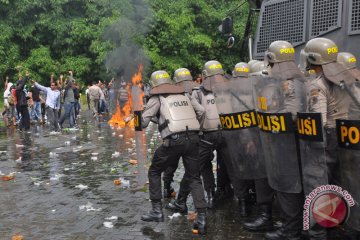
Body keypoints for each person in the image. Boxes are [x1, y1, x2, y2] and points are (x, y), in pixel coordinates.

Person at [137, 70, 208, 234]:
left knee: (154, 171)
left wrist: (135, 115)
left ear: (154, 84)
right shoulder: (185, 94)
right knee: (194, 177)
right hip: (194, 139)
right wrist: (198, 129)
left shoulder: (156, 98)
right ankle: (202, 218)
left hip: (173, 141)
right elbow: (202, 111)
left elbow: (143, 124)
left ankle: (156, 210)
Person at [302, 38, 357, 240]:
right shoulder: (349, 79)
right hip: (348, 137)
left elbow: (319, 119)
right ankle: (338, 227)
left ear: (311, 60)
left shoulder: (317, 84)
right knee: (340, 184)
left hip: (327, 138)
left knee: (316, 187)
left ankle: (317, 234)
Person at [255, 41, 305, 239]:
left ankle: (291, 230)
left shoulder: (288, 82)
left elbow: (292, 113)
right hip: (299, 141)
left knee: (288, 185)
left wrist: (272, 119)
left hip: (287, 141)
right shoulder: (300, 78)